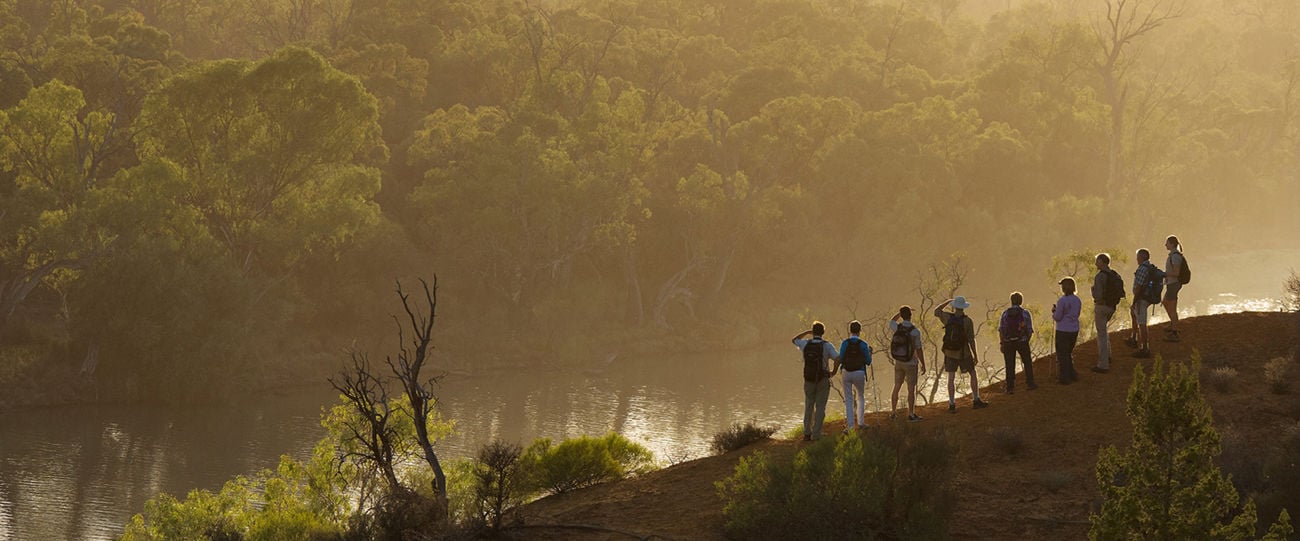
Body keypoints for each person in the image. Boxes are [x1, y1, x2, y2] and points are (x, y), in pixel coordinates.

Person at [934, 296, 988, 413]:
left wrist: (947, 302)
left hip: (949, 352)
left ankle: (952, 404)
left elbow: (936, 311)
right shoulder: (968, 321)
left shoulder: (948, 317)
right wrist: (975, 355)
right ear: (964, 307)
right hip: (964, 353)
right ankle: (976, 399)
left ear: (954, 307)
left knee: (951, 377)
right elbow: (971, 340)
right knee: (972, 373)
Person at [792, 321, 839, 441]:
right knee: (820, 407)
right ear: (823, 333)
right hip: (822, 379)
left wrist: (807, 332)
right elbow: (837, 358)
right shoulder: (827, 345)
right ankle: (816, 434)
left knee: (809, 406)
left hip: (808, 379)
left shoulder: (805, 344)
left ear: (813, 332)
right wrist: (833, 371)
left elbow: (794, 339)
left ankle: (807, 433)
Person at [888, 306, 926, 421]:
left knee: (896, 387)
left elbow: (891, 320)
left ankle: (893, 412)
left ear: (902, 315)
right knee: (911, 389)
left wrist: (899, 313)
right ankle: (911, 413)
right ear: (911, 315)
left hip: (899, 362)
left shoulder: (897, 328)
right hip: (911, 363)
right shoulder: (915, 331)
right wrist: (923, 364)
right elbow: (919, 349)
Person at [836, 320, 872, 432]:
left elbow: (840, 358)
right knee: (860, 397)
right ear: (860, 331)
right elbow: (868, 361)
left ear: (850, 330)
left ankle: (850, 427)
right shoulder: (863, 344)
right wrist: (870, 352)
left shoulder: (844, 343)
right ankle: (861, 423)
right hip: (859, 372)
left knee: (849, 399)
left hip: (846, 372)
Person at [1091, 253, 1124, 374]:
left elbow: (1098, 296)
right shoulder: (1114, 274)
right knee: (1104, 331)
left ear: (1102, 262)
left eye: (1097, 261)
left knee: (1101, 334)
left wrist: (1093, 291)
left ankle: (1103, 364)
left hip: (1102, 307)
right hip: (1112, 306)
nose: (1095, 263)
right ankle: (1108, 356)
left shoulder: (1100, 276)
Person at [998, 292, 1036, 393]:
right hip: (1022, 341)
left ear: (1011, 301)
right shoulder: (1025, 313)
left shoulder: (1005, 313)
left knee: (1009, 364)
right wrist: (1026, 340)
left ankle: (1010, 387)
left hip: (1008, 342)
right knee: (1027, 362)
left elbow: (1001, 329)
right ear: (1021, 301)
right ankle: (1030, 383)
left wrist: (1002, 343)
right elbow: (1029, 329)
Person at [1126, 248, 1160, 358]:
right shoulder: (1149, 267)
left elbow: (1139, 287)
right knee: (1134, 314)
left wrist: (1135, 301)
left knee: (1142, 323)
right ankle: (1134, 337)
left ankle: (1145, 348)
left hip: (1141, 298)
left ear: (1142, 257)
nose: (1136, 259)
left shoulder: (1142, 269)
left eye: (1138, 257)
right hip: (1147, 297)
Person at [1052, 277, 1082, 384]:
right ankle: (1072, 374)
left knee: (1062, 354)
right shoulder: (1077, 300)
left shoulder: (1062, 301)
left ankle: (1064, 377)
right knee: (1068, 352)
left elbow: (1058, 317)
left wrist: (1054, 313)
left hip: (1063, 330)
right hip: (1074, 329)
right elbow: (1077, 314)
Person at [1162, 235, 1186, 342]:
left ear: (1171, 244)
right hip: (1171, 283)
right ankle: (1173, 324)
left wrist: (1165, 274)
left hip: (1174, 284)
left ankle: (1175, 332)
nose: (1165, 245)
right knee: (1166, 303)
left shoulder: (1175, 256)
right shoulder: (1173, 255)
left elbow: (1176, 272)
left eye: (1167, 243)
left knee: (1171, 307)